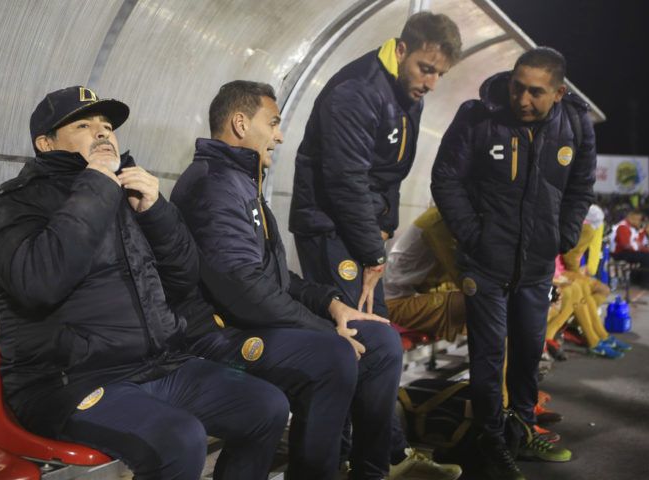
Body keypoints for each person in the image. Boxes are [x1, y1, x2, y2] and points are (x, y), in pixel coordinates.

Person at [0, 86, 290, 480]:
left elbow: (182, 280)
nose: (102, 133)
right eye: (83, 124)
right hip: (68, 381)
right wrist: (96, 183)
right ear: (46, 144)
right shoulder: (17, 201)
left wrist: (156, 213)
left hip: (155, 365)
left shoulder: (129, 192)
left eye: (107, 125)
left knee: (265, 405)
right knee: (180, 438)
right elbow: (38, 283)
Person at [171, 81, 460, 480]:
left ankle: (370, 470)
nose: (279, 135)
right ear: (240, 123)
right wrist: (322, 329)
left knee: (381, 340)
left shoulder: (241, 182)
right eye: (272, 123)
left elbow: (272, 277)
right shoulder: (214, 185)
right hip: (216, 335)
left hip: (246, 322)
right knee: (332, 355)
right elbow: (241, 287)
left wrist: (330, 304)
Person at [431, 47, 597, 480]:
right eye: (517, 86)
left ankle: (520, 431)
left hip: (537, 265)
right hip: (485, 266)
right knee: (489, 358)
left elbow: (580, 186)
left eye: (536, 92)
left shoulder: (576, 125)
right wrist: (474, 235)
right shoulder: (478, 116)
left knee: (528, 352)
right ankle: (489, 442)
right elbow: (445, 178)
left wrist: (562, 236)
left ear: (558, 93)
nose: (522, 98)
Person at [289, 11, 462, 316]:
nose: (432, 83)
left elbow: (392, 171)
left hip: (358, 229)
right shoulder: (358, 91)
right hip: (329, 227)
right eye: (426, 69)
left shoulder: (408, 93)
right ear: (401, 50)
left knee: (371, 331)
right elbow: (346, 181)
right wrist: (373, 254)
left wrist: (385, 224)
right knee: (358, 332)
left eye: (440, 74)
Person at [384, 206, 466, 342]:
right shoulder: (438, 222)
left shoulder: (445, 215)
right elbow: (461, 277)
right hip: (397, 304)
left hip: (416, 294)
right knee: (478, 300)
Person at [611, 209, 649, 289]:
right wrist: (641, 249)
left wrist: (645, 233)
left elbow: (638, 241)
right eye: (637, 219)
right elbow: (626, 245)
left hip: (627, 251)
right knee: (647, 257)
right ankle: (646, 282)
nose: (639, 222)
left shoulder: (631, 227)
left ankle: (647, 280)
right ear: (631, 218)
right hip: (619, 253)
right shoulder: (623, 226)